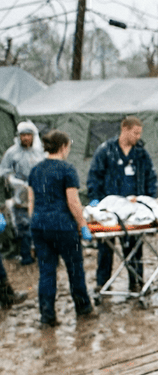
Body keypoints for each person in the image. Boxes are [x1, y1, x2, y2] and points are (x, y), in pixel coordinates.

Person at [27, 130, 93, 327]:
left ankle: (47, 316)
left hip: (39, 225)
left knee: (46, 272)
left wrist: (35, 225)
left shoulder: (35, 170)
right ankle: (83, 309)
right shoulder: (67, 169)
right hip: (63, 226)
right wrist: (83, 225)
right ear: (64, 147)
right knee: (75, 269)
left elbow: (31, 201)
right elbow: (73, 201)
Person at [87, 116, 158, 293]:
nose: (137, 137)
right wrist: (96, 202)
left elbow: (151, 178)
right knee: (105, 248)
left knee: (134, 248)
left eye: (139, 133)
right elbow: (94, 177)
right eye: (135, 133)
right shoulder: (106, 151)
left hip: (133, 210)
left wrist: (149, 202)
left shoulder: (141, 153)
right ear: (124, 129)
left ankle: (137, 282)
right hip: (110, 210)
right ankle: (102, 283)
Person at [0, 121, 45, 265]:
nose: (25, 138)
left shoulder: (39, 152)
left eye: (28, 135)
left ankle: (41, 253)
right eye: (23, 135)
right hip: (19, 196)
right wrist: (15, 182)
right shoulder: (12, 153)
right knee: (23, 226)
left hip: (38, 194)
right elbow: (4, 172)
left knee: (39, 224)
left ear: (33, 136)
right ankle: (25, 255)